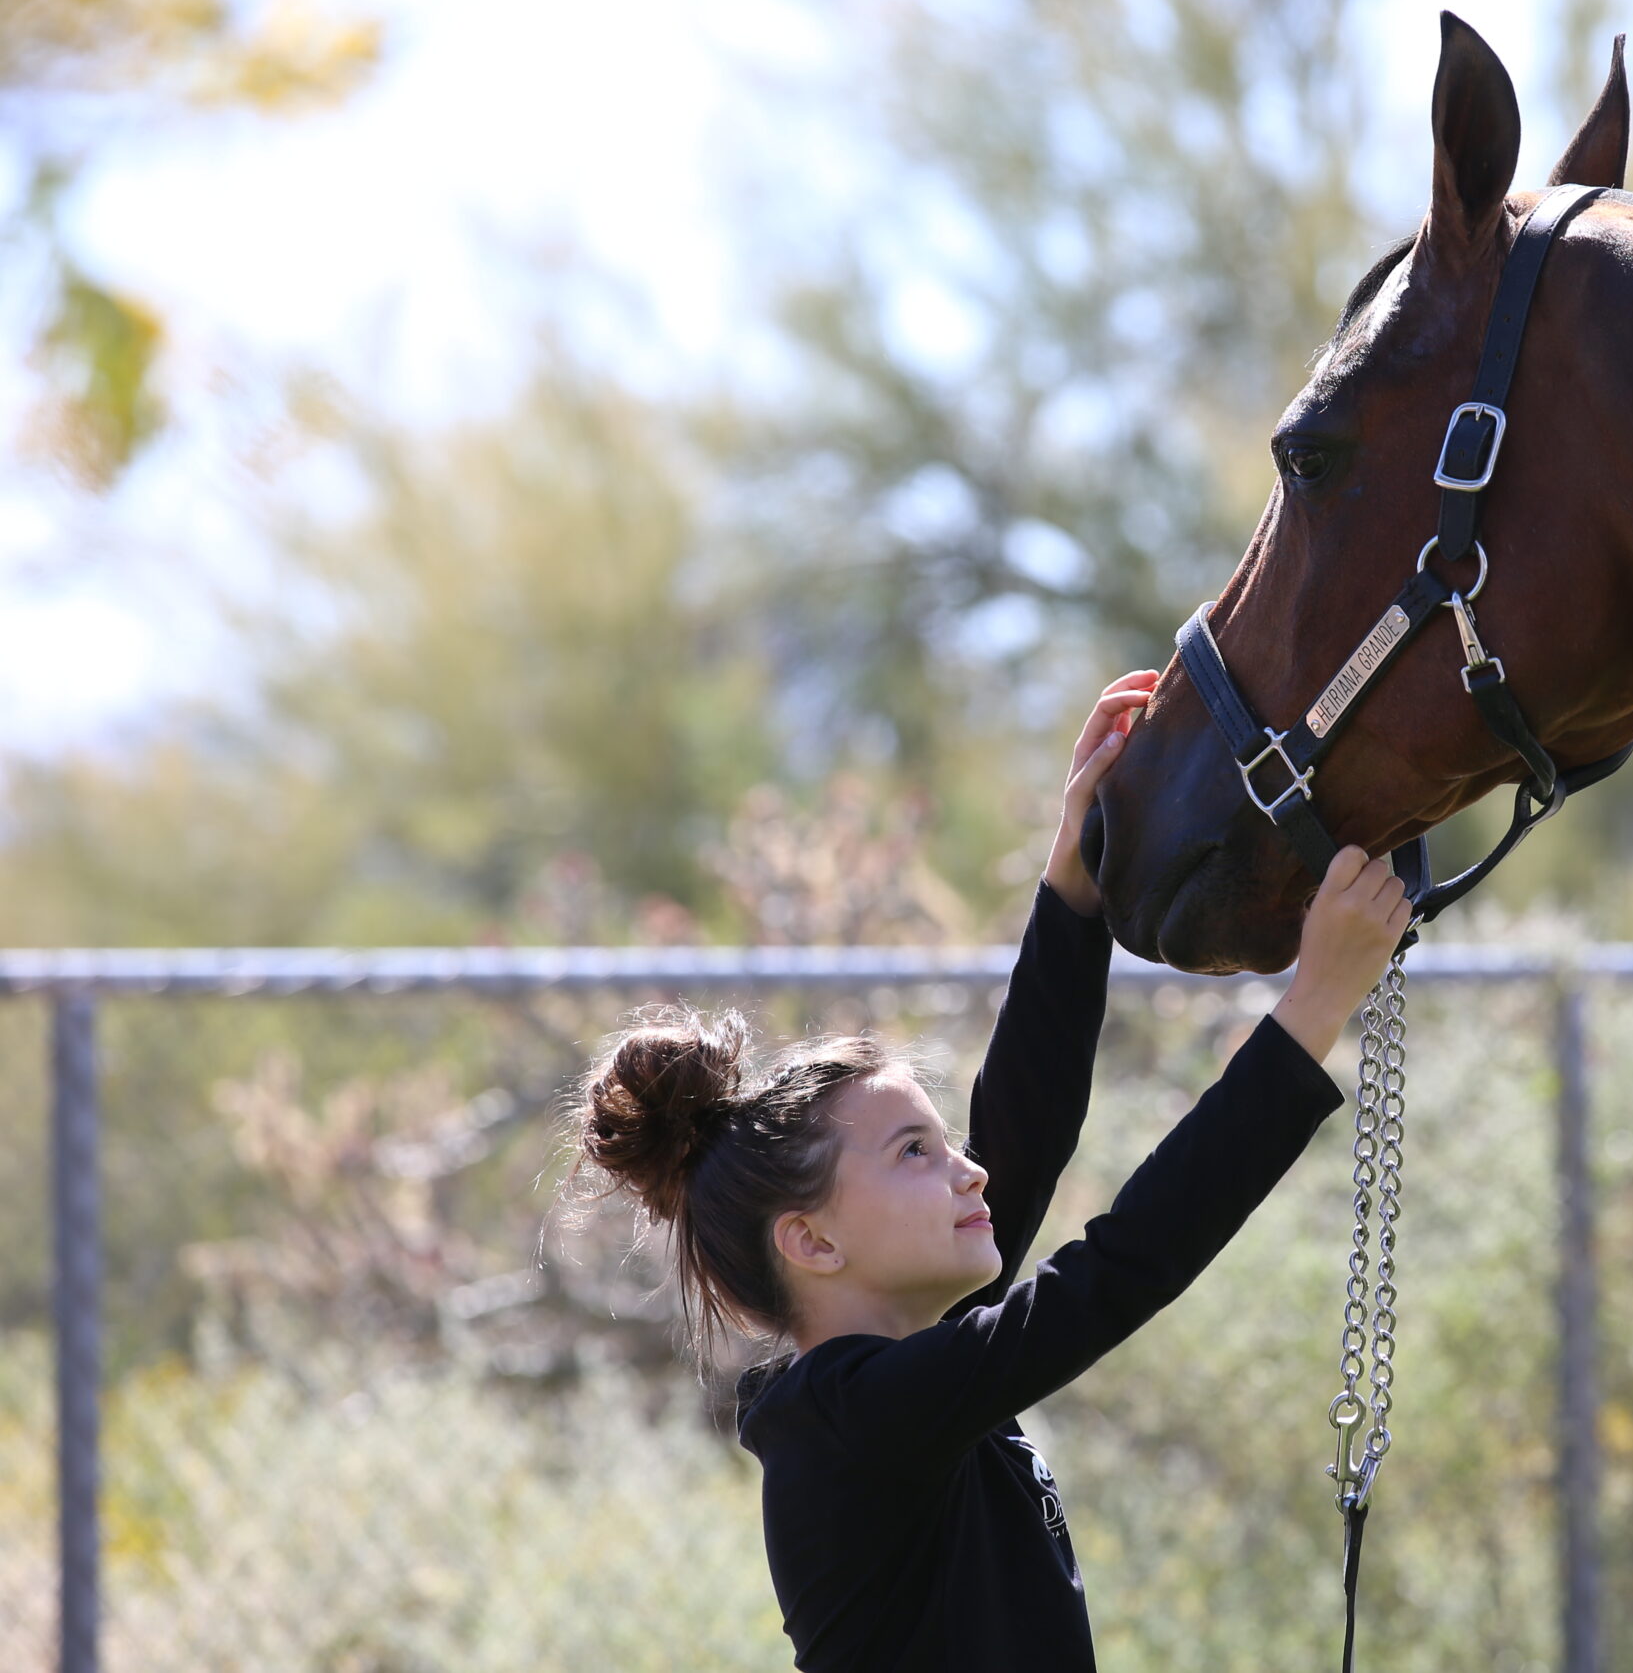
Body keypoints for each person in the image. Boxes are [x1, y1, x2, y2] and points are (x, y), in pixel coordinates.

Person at [572, 669, 1412, 1672]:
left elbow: (1018, 1142)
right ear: (812, 1239)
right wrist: (1313, 1006)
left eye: (942, 1143)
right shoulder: (859, 1424)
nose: (965, 1172)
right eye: (914, 1153)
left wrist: (1078, 883)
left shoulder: (890, 1388)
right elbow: (1112, 1274)